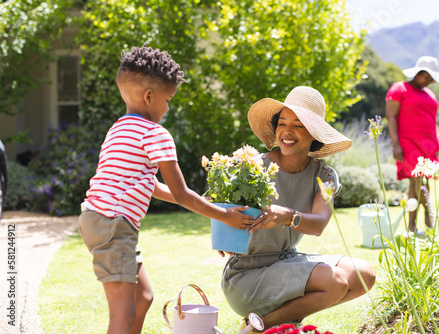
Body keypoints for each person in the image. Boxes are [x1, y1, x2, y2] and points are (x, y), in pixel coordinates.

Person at [78, 45, 254, 334]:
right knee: (121, 315)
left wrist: (203, 202)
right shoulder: (155, 133)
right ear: (149, 96)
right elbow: (182, 193)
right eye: (168, 99)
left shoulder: (119, 129)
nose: (168, 107)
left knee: (143, 296)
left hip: (98, 219)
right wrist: (223, 216)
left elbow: (153, 186)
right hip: (114, 224)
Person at [219, 86, 376, 332]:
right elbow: (214, 201)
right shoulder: (254, 167)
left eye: (299, 125)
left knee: (364, 274)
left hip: (288, 260)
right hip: (247, 274)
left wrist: (288, 216)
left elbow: (319, 224)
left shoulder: (324, 175)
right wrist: (221, 230)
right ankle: (259, 325)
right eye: (282, 123)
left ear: (314, 133)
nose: (287, 132)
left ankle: (270, 321)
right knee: (334, 281)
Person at [385, 56, 439, 235]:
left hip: (427, 146)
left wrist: (436, 141)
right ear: (418, 73)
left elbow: (431, 120)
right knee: (419, 181)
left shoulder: (430, 94)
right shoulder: (400, 88)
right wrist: (396, 144)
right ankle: (429, 220)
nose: (429, 81)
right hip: (408, 143)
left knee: (416, 184)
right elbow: (391, 117)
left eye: (431, 78)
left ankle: (412, 227)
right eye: (426, 77)